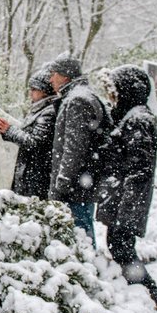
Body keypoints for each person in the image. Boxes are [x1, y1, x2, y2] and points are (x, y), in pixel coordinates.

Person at [96, 65, 157, 310]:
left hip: (127, 202)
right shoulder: (130, 115)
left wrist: (126, 211)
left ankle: (149, 295)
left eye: (115, 90)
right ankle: (143, 294)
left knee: (122, 249)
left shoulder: (138, 120)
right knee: (119, 247)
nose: (111, 95)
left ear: (127, 89)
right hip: (122, 200)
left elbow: (139, 170)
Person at [47, 55, 113, 248]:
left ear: (65, 76)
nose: (50, 79)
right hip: (81, 182)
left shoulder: (77, 101)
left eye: (53, 74)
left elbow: (74, 147)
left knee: (79, 235)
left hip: (76, 187)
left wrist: (63, 181)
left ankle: (85, 264)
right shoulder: (81, 96)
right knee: (80, 232)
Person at [0, 70, 60, 199]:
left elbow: (35, 142)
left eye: (34, 89)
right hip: (30, 175)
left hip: (37, 177)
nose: (30, 92)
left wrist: (9, 130)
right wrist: (6, 131)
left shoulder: (49, 112)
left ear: (44, 91)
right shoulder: (39, 109)